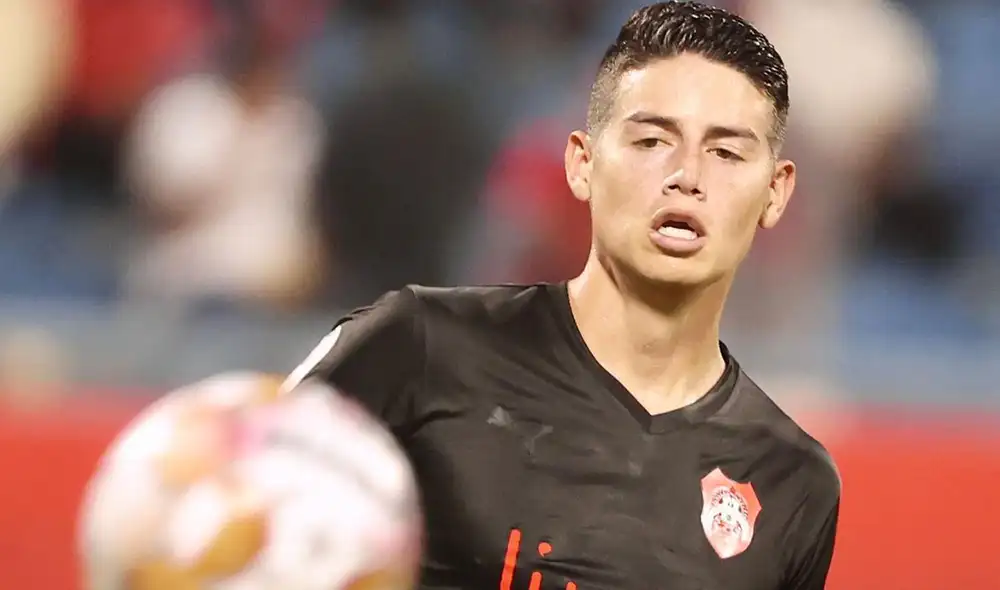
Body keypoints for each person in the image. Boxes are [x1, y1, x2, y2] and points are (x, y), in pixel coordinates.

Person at [285, 2, 840, 588]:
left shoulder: (792, 481)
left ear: (776, 193)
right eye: (652, 140)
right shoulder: (418, 348)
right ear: (582, 163)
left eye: (726, 152)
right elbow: (241, 495)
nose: (687, 175)